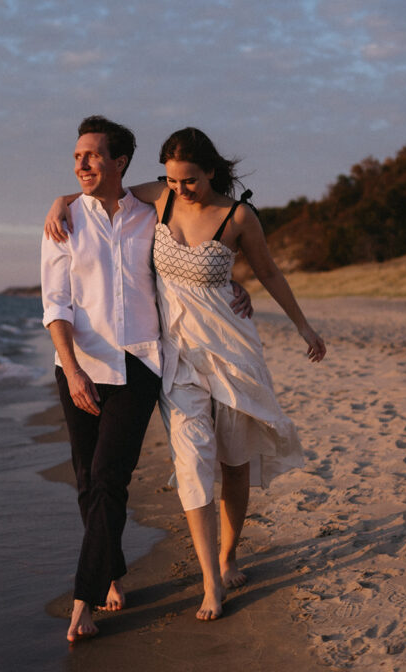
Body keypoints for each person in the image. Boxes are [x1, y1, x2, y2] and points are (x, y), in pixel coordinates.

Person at [45, 126, 326, 623]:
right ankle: (209, 583)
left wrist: (303, 326)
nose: (179, 189)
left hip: (230, 353)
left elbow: (269, 272)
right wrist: (60, 199)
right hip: (175, 359)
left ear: (211, 172)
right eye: (172, 180)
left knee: (234, 462)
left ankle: (229, 556)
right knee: (193, 462)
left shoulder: (239, 217)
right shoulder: (158, 198)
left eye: (189, 181)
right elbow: (104, 189)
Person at [41, 116, 252, 643]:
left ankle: (83, 600)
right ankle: (111, 568)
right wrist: (71, 372)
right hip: (80, 365)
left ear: (120, 164)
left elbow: (203, 248)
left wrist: (235, 287)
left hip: (139, 366)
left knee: (111, 478)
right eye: (76, 158)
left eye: (92, 156)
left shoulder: (152, 213)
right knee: (88, 481)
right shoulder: (64, 220)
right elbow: (56, 306)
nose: (81, 164)